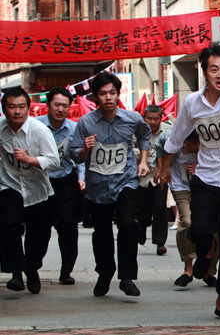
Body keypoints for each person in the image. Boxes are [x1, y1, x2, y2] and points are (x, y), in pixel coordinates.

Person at [158, 42, 220, 320]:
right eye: (214, 69)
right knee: (198, 227)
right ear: (205, 72)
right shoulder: (193, 103)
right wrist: (164, 166)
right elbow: (176, 137)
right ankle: (206, 248)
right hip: (207, 178)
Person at [70, 72, 152, 297]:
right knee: (102, 232)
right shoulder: (86, 123)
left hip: (125, 180)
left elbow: (145, 135)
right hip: (97, 185)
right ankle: (105, 273)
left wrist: (143, 161)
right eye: (103, 93)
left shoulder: (132, 118)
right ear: (96, 97)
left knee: (127, 225)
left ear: (118, 94)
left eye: (112, 93)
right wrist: (85, 149)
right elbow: (74, 155)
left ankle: (126, 277)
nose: (108, 98)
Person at [0, 87, 60, 294]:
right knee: (9, 226)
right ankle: (16, 273)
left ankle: (31, 268)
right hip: (9, 184)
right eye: (12, 107)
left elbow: (54, 161)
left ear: (28, 108)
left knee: (39, 233)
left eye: (21, 107)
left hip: (37, 188)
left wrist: (30, 160)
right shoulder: (0, 129)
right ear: (4, 110)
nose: (17, 111)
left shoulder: (40, 131)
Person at [155, 129, 219, 288]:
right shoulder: (172, 139)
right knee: (187, 221)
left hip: (206, 188)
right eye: (194, 143)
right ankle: (188, 268)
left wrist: (201, 168)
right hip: (181, 187)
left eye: (200, 143)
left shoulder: (211, 141)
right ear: (185, 141)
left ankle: (208, 270)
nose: (198, 147)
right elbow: (159, 144)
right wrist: (162, 167)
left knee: (216, 229)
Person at [36, 87, 86, 285]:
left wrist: (81, 178)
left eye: (65, 105)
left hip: (65, 180)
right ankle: (33, 266)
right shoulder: (37, 126)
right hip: (40, 180)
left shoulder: (74, 129)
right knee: (40, 226)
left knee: (68, 224)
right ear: (48, 105)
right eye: (56, 104)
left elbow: (79, 158)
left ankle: (66, 270)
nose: (60, 109)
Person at [135, 104, 172, 256]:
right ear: (144, 118)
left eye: (155, 119)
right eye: (149, 118)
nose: (152, 122)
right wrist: (141, 152)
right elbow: (128, 148)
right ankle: (141, 228)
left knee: (160, 207)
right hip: (142, 177)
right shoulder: (137, 130)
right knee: (143, 210)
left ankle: (160, 242)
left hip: (160, 176)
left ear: (160, 118)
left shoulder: (168, 131)